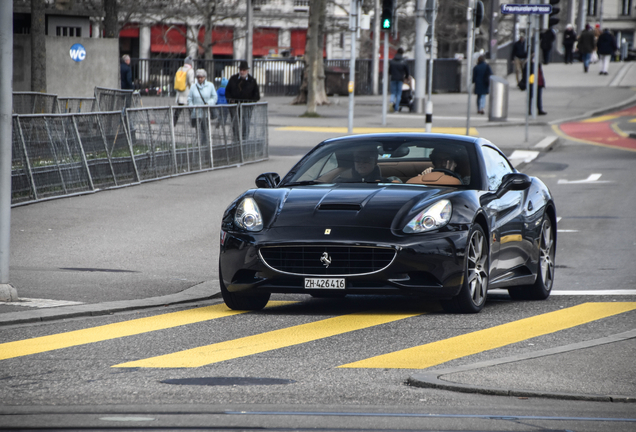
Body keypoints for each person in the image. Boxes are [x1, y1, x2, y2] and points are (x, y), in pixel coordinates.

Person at [226, 61, 260, 140]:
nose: (242, 71)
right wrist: (230, 99)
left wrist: (250, 103)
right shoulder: (233, 79)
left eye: (244, 70)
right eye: (241, 69)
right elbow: (227, 91)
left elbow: (256, 95)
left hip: (246, 107)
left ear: (247, 71)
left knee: (245, 125)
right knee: (235, 125)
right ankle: (237, 142)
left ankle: (244, 142)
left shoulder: (252, 81)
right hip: (234, 107)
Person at [187, 69, 217, 146]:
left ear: (205, 77)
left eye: (201, 77)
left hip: (206, 113)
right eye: (198, 77)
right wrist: (192, 107)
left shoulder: (210, 85)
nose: (200, 79)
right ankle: (200, 147)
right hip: (196, 113)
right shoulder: (193, 86)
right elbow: (189, 98)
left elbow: (214, 97)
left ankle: (206, 146)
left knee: (205, 130)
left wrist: (208, 103)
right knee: (198, 131)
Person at [173, 56, 195, 126]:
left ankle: (173, 122)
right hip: (187, 92)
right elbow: (191, 82)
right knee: (191, 109)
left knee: (178, 109)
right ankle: (193, 123)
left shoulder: (180, 69)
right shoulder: (190, 70)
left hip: (180, 92)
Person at [388, 48, 410, 112]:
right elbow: (407, 71)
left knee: (393, 93)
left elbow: (389, 71)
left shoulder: (392, 61)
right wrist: (406, 77)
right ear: (402, 53)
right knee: (399, 94)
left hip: (393, 79)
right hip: (400, 79)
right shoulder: (404, 61)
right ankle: (396, 108)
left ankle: (391, 102)